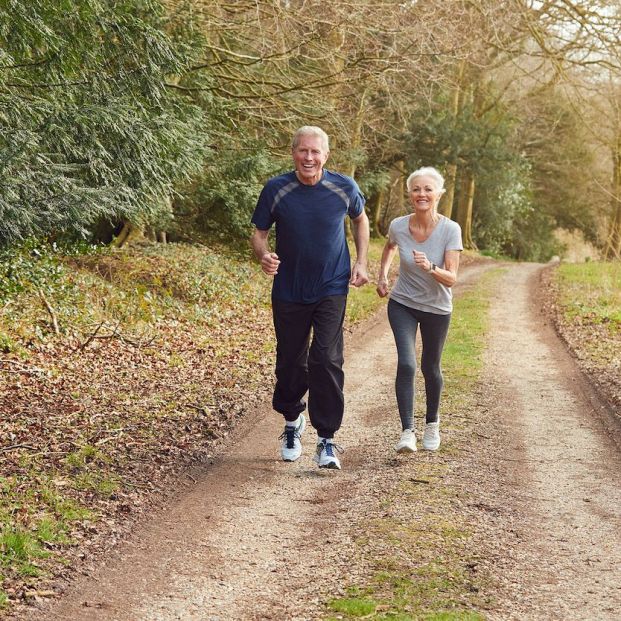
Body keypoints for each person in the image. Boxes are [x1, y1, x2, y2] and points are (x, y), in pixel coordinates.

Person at [250, 126, 370, 470]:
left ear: (326, 156)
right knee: (291, 360)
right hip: (288, 288)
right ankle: (292, 422)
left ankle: (327, 439)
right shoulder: (276, 189)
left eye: (315, 152)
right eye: (303, 151)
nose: (309, 157)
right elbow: (259, 232)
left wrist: (361, 261)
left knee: (326, 359)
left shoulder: (344, 186)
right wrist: (264, 254)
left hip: (332, 286)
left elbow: (360, 219)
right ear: (293, 153)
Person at [376, 166, 463, 453]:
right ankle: (406, 432)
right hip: (403, 303)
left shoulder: (450, 229)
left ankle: (432, 424)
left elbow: (452, 278)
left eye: (428, 189)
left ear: (439, 194)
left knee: (430, 367)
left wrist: (431, 268)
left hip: (437, 308)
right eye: (416, 189)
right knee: (407, 363)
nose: (421, 194)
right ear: (409, 193)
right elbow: (389, 247)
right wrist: (383, 275)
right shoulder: (399, 225)